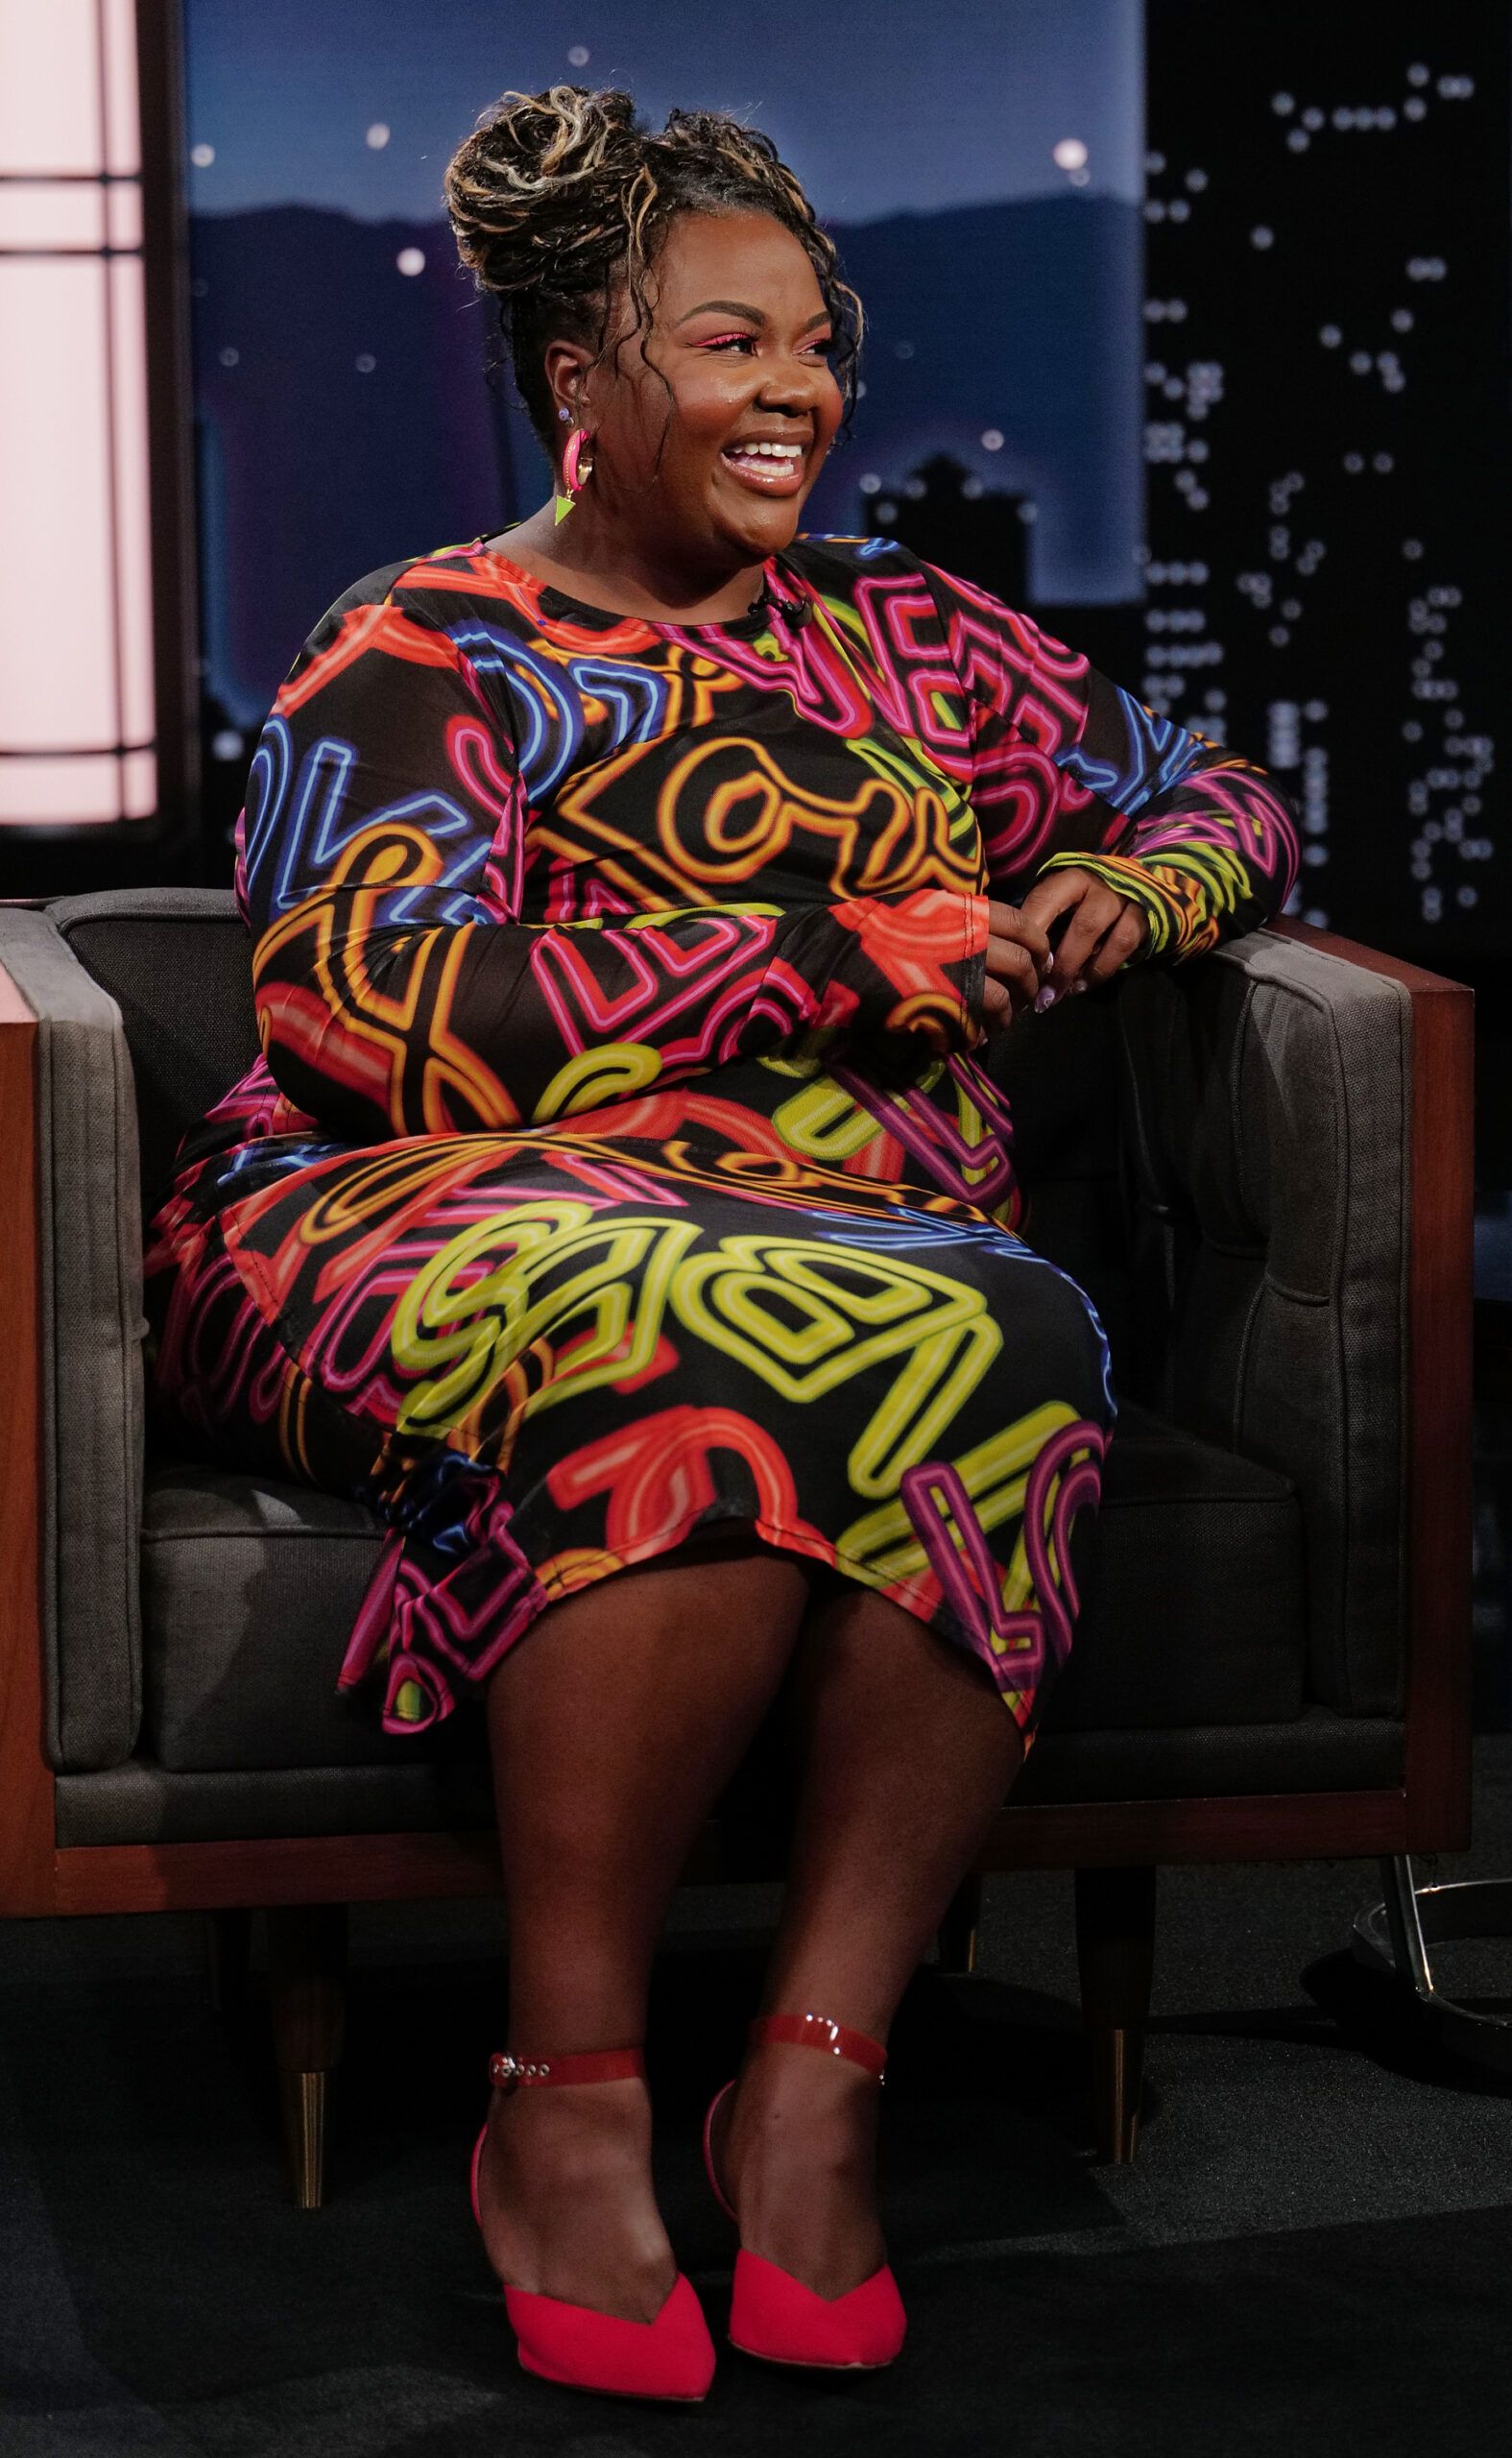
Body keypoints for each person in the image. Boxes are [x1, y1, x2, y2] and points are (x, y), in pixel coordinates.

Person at [145, 84, 1302, 2400]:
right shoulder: (425, 646)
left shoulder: (909, 635)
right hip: (404, 1209)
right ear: (577, 378)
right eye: (724, 342)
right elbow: (357, 1008)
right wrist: (831, 954)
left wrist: (1130, 881)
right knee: (697, 1327)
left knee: (1000, 1325)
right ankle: (563, 2098)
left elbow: (1220, 792)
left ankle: (807, 2075)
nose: (794, 389)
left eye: (813, 340)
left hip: (853, 1229)